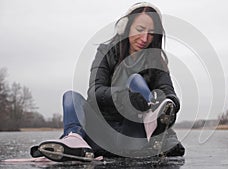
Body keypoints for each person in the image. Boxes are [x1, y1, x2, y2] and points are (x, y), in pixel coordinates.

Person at [31, 2, 185, 161]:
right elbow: (95, 93)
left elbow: (169, 94)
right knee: (70, 97)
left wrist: (167, 106)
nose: (145, 38)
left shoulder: (157, 62)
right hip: (102, 132)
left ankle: (151, 121)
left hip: (133, 132)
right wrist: (126, 97)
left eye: (151, 33)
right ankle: (74, 139)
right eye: (139, 30)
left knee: (136, 81)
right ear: (125, 27)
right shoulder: (106, 52)